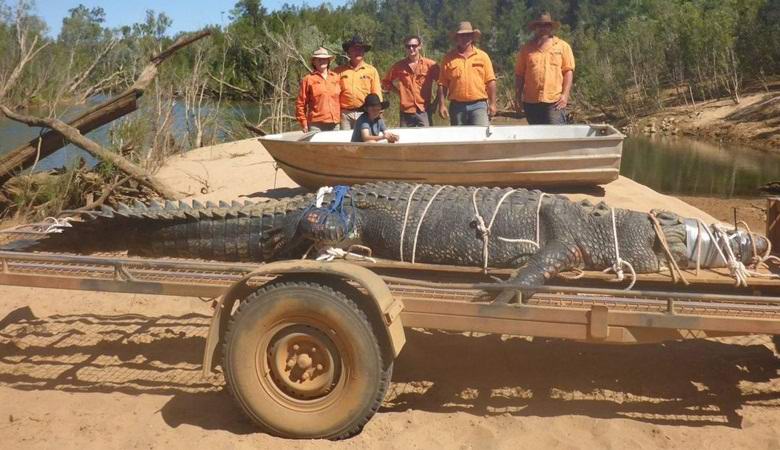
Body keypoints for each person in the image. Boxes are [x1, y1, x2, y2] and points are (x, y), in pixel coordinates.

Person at [514, 12, 575, 125]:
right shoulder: (526, 49)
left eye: (546, 25)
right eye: (539, 25)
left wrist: (565, 95)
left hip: (555, 102)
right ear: (535, 28)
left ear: (551, 27)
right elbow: (519, 75)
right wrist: (517, 97)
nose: (542, 28)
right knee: (537, 137)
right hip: (531, 102)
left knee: (556, 137)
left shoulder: (562, 46)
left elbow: (568, 72)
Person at [437, 21, 497, 126]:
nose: (465, 38)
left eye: (467, 35)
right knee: (460, 139)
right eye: (461, 35)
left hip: (479, 105)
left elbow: (490, 81)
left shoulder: (483, 56)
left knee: (481, 137)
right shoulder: (448, 58)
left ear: (472, 37)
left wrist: (492, 103)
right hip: (457, 107)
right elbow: (442, 84)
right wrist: (442, 105)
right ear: (457, 38)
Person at [382, 35, 440, 127]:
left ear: (420, 46)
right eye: (408, 46)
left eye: (414, 46)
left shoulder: (430, 65)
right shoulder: (398, 66)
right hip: (406, 110)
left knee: (426, 138)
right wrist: (399, 92)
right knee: (406, 139)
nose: (411, 48)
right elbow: (386, 82)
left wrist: (436, 103)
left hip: (424, 109)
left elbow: (442, 83)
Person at [335, 35, 383, 130]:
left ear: (364, 52)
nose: (358, 52)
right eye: (354, 49)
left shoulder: (371, 70)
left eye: (360, 49)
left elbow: (376, 92)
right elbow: (334, 94)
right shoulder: (338, 71)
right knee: (346, 142)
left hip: (365, 112)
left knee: (365, 141)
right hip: (345, 114)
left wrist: (379, 112)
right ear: (349, 52)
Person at [295, 47, 341, 132]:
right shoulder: (308, 79)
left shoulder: (336, 77)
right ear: (314, 62)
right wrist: (304, 123)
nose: (322, 61)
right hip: (316, 125)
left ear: (328, 61)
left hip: (335, 124)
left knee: (334, 146)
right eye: (319, 59)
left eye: (324, 59)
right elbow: (300, 103)